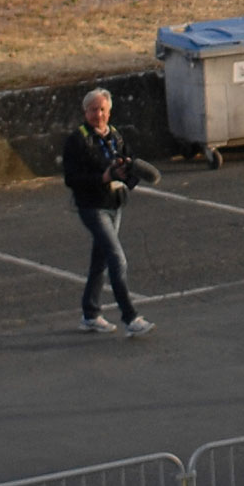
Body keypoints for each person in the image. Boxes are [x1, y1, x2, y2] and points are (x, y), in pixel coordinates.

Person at [58, 88, 157, 338]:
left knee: (100, 261)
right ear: (85, 112)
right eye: (93, 110)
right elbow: (71, 178)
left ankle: (90, 314)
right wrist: (103, 176)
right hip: (92, 207)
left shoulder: (115, 135)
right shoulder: (77, 140)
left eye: (102, 109)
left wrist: (128, 170)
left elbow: (129, 160)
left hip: (114, 203)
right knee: (117, 259)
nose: (98, 115)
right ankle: (130, 317)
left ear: (109, 111)